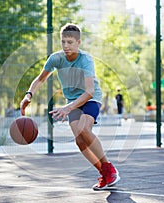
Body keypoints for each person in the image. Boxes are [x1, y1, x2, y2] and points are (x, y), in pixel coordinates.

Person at [20, 23, 120, 190]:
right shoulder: (56, 58)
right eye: (63, 42)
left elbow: (89, 91)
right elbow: (40, 79)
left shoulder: (86, 60)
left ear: (78, 42)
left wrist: (68, 108)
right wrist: (28, 95)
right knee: (80, 142)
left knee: (85, 130)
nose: (66, 46)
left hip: (91, 98)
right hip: (72, 100)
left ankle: (109, 169)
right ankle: (104, 173)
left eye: (70, 42)